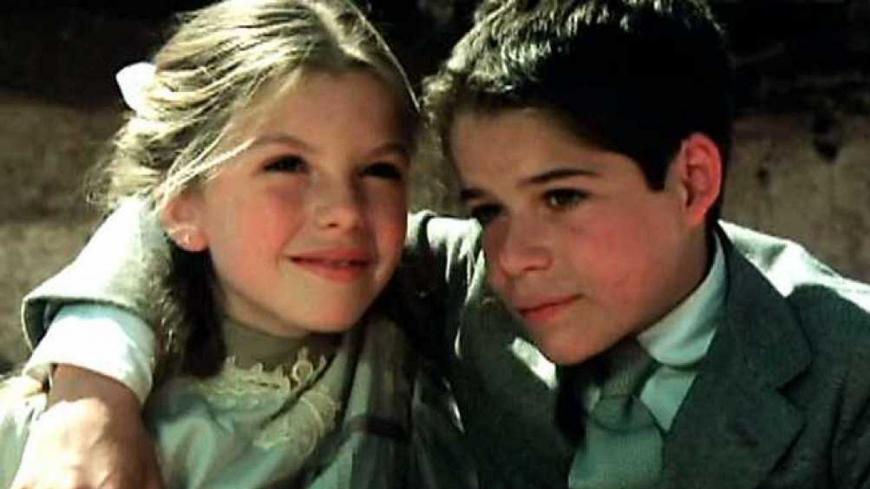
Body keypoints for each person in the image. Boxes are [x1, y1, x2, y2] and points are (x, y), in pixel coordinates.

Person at [10, 0, 870, 488]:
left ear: (691, 181)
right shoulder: (443, 277)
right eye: (486, 207)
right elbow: (189, 208)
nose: (513, 255)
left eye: (562, 196)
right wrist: (93, 391)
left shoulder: (847, 367)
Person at [0, 0, 474, 488]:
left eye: (379, 170)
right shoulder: (65, 443)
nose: (346, 211)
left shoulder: (420, 334)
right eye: (287, 165)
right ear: (182, 204)